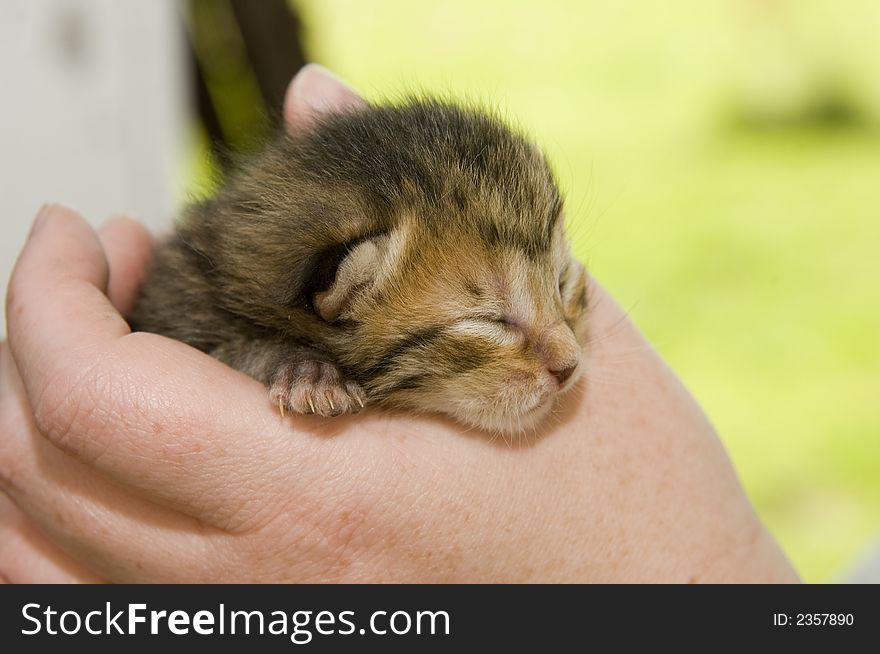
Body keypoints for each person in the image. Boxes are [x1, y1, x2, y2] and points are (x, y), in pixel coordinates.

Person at [0, 69, 799, 583]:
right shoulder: (198, 300)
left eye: (563, 282)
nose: (563, 357)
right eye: (490, 319)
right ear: (337, 294)